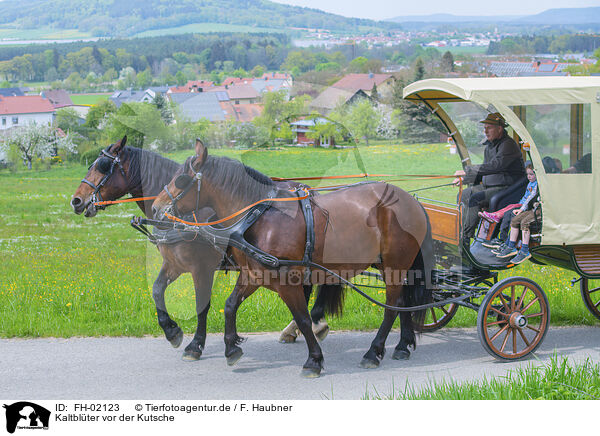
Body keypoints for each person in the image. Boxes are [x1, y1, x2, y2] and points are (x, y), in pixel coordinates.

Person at [453, 112, 525, 239]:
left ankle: (465, 236)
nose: (485, 131)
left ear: (499, 128)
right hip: (489, 186)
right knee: (463, 195)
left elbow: (496, 165)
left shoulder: (508, 145)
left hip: (506, 188)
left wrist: (467, 171)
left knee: (474, 198)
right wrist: (465, 179)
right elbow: (485, 170)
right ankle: (462, 229)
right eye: (484, 128)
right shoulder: (489, 146)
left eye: (489, 127)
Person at [481, 164, 537, 250]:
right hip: (521, 204)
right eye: (527, 174)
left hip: (525, 207)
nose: (529, 176)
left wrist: (521, 208)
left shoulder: (536, 185)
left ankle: (497, 217)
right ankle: (502, 238)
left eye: (531, 174)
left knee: (512, 212)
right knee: (508, 212)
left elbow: (530, 198)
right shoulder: (530, 183)